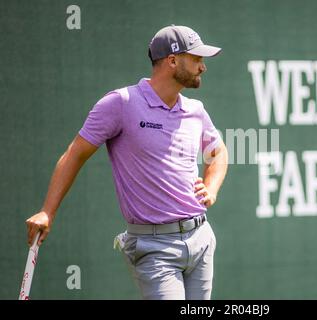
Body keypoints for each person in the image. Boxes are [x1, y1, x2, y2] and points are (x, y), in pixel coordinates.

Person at [25, 25, 229, 300]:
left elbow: (218, 153)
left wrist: (211, 188)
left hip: (201, 238)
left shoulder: (195, 110)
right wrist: (47, 211)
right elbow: (75, 153)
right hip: (154, 248)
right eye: (196, 59)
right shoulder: (121, 103)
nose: (202, 67)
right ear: (172, 60)